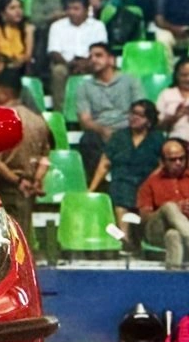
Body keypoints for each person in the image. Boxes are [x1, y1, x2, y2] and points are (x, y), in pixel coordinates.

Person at [0, 70, 51, 238]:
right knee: (22, 239)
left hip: (2, 189)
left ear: (6, 92)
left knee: (2, 241)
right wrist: (36, 181)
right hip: (27, 191)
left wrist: (18, 181)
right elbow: (45, 158)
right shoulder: (38, 120)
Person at [88, 99, 166, 245]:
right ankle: (124, 238)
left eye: (139, 115)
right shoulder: (119, 137)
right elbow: (105, 163)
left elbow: (162, 166)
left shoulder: (157, 138)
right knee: (121, 187)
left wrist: (150, 183)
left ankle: (140, 239)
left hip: (146, 181)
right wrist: (92, 188)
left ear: (149, 120)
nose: (133, 118)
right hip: (122, 181)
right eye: (132, 113)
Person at [76, 42, 147, 178]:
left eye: (98, 55)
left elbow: (142, 109)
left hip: (128, 128)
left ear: (111, 60)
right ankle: (99, 187)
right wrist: (102, 130)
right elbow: (85, 120)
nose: (93, 60)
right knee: (87, 139)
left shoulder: (130, 80)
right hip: (101, 132)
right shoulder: (84, 87)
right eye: (90, 57)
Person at [47, 0, 107, 111]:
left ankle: (101, 111)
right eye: (69, 8)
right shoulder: (57, 26)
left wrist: (86, 64)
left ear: (86, 9)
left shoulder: (98, 26)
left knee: (103, 67)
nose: (71, 12)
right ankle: (60, 113)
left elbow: (101, 50)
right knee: (58, 71)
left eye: (76, 9)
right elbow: (54, 52)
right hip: (66, 64)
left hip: (91, 62)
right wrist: (70, 64)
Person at [136, 138, 189, 268]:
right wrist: (175, 210)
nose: (178, 163)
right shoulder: (151, 183)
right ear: (162, 162)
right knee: (169, 207)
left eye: (181, 158)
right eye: (172, 160)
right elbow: (144, 218)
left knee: (173, 235)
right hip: (156, 231)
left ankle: (173, 279)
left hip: (177, 232)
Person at [154, 0, 189, 66]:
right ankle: (168, 73)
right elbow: (159, 19)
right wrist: (174, 29)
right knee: (161, 37)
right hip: (171, 30)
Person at [0, 0, 35, 72]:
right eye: (12, 8)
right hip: (1, 68)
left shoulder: (27, 29)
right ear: (3, 13)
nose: (18, 11)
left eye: (20, 7)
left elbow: (28, 55)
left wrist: (17, 62)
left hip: (21, 68)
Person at [158, 57, 189, 141]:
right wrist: (175, 116)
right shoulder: (167, 94)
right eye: (183, 75)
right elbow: (158, 126)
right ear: (176, 75)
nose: (187, 79)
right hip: (173, 142)